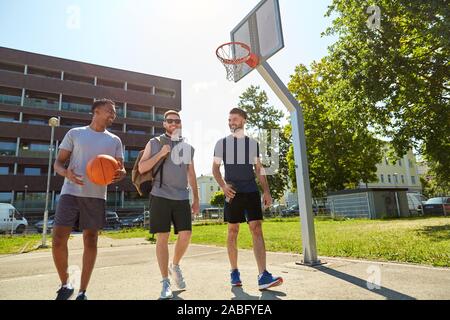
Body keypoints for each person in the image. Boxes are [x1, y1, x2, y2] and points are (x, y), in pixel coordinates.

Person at [52, 98, 126, 300]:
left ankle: (83, 290)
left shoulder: (114, 140)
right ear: (97, 111)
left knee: (90, 240)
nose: (113, 115)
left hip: (96, 195)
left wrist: (121, 174)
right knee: (58, 239)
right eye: (110, 111)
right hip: (71, 192)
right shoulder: (75, 133)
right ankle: (65, 284)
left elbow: (121, 168)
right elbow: (58, 163)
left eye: (114, 112)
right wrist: (66, 173)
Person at [212, 107, 283, 290]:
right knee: (233, 230)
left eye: (234, 119)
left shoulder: (252, 144)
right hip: (233, 192)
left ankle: (263, 276)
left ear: (243, 120)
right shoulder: (221, 143)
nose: (231, 122)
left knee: (256, 228)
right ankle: (234, 272)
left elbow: (259, 169)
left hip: (251, 190)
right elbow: (215, 169)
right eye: (229, 120)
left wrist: (266, 191)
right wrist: (223, 186)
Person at [138, 110, 199, 299]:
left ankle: (176, 265)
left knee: (186, 235)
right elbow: (142, 167)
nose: (174, 123)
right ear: (164, 124)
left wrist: (196, 199)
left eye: (177, 121)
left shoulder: (186, 147)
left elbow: (191, 174)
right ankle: (165, 281)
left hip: (181, 196)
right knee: (162, 238)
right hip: (160, 194)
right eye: (170, 120)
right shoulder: (155, 143)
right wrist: (161, 154)